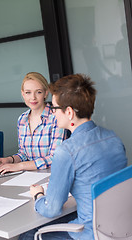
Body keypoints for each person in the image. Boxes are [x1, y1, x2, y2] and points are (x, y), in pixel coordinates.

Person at [20, 74, 127, 240]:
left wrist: (38, 195)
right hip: (121, 226)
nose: (53, 113)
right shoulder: (113, 138)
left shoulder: (67, 150)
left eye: (54, 108)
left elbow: (51, 209)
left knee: (28, 234)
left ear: (68, 112)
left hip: (90, 233)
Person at [0, 72, 65, 174]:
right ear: (23, 94)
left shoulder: (56, 118)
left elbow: (55, 158)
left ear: (46, 93)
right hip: (28, 175)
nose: (33, 98)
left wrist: (19, 166)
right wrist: (8, 160)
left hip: (52, 174)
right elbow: (24, 154)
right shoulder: (22, 119)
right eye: (28, 92)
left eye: (38, 92)